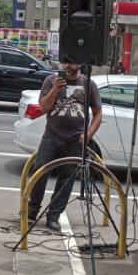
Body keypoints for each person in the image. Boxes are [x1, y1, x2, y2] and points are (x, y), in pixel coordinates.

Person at [26, 62, 102, 235]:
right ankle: (32, 209)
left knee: (67, 179)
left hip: (75, 139)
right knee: (39, 171)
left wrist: (89, 134)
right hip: (52, 136)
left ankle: (54, 216)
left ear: (79, 64)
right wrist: (54, 89)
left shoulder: (88, 84)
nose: (67, 66)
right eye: (64, 62)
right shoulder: (51, 80)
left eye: (71, 63)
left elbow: (98, 113)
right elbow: (44, 107)